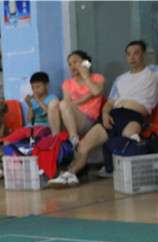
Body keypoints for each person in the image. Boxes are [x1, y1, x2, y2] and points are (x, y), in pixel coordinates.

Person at [50, 40, 158, 187]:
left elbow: (95, 91)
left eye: (136, 53)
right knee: (83, 146)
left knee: (130, 138)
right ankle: (70, 174)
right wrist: (106, 114)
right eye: (128, 54)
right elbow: (109, 103)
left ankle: (130, 173)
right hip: (113, 114)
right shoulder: (120, 79)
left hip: (134, 115)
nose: (132, 57)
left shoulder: (153, 72)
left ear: (144, 55)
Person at [58, 50, 104, 148]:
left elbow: (96, 92)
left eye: (75, 62)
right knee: (54, 104)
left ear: (85, 63)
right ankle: (56, 141)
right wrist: (87, 97)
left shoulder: (97, 78)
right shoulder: (67, 83)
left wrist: (86, 76)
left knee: (63, 104)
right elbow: (67, 103)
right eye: (70, 64)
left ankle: (74, 138)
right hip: (70, 118)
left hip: (88, 120)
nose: (72, 66)